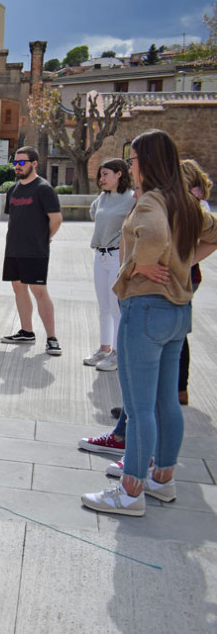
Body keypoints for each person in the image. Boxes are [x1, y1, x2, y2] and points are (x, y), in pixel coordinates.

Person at [81, 129, 217, 517]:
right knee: (165, 403)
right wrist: (183, 262)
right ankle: (162, 479)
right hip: (177, 311)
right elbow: (214, 231)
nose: (131, 167)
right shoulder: (184, 201)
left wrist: (140, 264)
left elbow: (154, 234)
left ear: (148, 164)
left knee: (140, 407)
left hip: (146, 310)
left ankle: (130, 491)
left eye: (134, 160)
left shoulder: (152, 202)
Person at [0, 146, 63, 355]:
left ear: (34, 163)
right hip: (13, 249)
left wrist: (46, 239)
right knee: (18, 288)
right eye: (15, 163)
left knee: (39, 291)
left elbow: (56, 219)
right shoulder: (13, 190)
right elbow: (14, 219)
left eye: (21, 162)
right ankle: (27, 332)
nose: (17, 167)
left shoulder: (43, 189)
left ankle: (52, 338)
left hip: (35, 251)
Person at [83, 159, 135, 372]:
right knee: (103, 306)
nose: (101, 179)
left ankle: (117, 354)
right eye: (100, 175)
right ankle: (104, 349)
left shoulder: (132, 198)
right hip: (100, 254)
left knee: (116, 308)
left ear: (119, 174)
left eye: (105, 174)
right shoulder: (102, 198)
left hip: (117, 257)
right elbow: (95, 216)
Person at [177, 159, 212, 404]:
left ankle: (179, 389)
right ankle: (177, 389)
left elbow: (212, 238)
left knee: (177, 334)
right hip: (183, 275)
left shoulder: (193, 205)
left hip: (185, 277)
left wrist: (185, 261)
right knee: (176, 333)